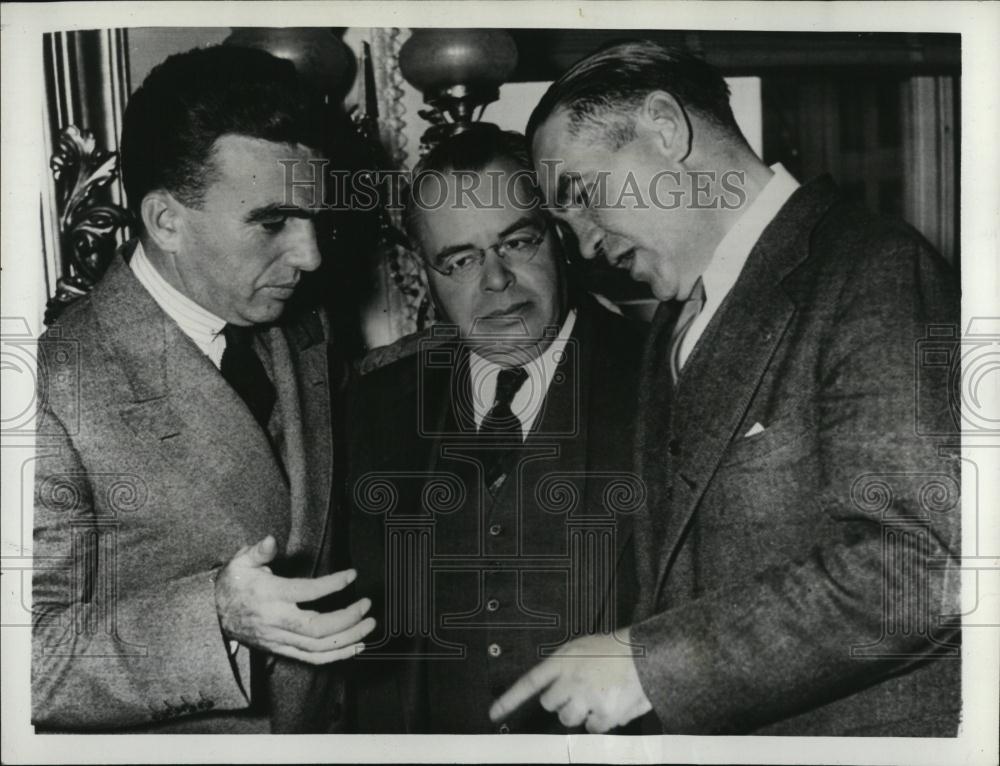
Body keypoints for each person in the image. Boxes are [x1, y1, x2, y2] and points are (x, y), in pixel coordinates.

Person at [490, 41, 961, 735]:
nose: (584, 245)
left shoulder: (874, 268)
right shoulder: (673, 324)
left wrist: (648, 666)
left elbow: (923, 570)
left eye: (582, 196)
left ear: (665, 128)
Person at [31, 45, 375, 733]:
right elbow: (26, 662)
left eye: (314, 219)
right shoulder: (51, 386)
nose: (309, 255)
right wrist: (216, 615)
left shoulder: (302, 327)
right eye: (273, 222)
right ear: (166, 221)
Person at [345, 126, 646, 733]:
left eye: (517, 242)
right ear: (425, 274)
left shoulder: (658, 377)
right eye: (460, 260)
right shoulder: (373, 408)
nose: (496, 280)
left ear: (558, 237)